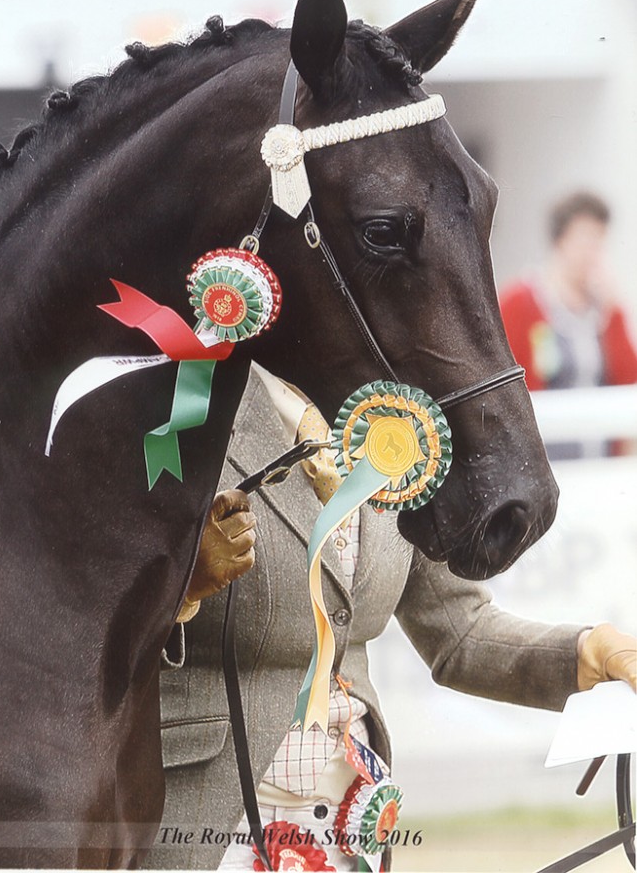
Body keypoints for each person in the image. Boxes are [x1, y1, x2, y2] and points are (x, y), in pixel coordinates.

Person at [145, 366, 636, 871]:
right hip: (206, 822)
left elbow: (459, 631)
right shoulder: (184, 410)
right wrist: (183, 588)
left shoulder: (394, 424)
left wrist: (590, 654)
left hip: (351, 822)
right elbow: (87, 643)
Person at [499, 190, 637, 457]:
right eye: (584, 239)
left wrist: (613, 314)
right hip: (547, 458)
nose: (591, 252)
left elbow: (629, 380)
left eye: (598, 240)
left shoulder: (606, 309)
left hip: (600, 458)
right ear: (561, 240)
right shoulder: (520, 302)